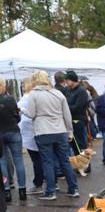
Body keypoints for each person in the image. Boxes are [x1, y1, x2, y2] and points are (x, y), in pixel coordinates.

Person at [26, 70, 79, 200]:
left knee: (48, 162)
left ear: (35, 80)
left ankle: (50, 191)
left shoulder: (33, 94)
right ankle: (73, 189)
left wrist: (22, 110)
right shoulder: (58, 93)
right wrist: (70, 131)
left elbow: (31, 114)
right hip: (60, 130)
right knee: (65, 161)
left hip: (43, 131)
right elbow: (67, 115)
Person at [0, 76, 26, 202]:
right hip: (13, 131)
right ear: (4, 85)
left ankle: (7, 191)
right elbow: (17, 116)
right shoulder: (10, 99)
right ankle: (22, 190)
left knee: (2, 162)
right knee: (19, 161)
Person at [18, 77, 44, 195]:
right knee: (43, 158)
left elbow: (25, 113)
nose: (22, 87)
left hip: (31, 131)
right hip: (37, 130)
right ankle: (48, 182)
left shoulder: (27, 97)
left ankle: (38, 183)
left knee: (37, 159)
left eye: (23, 85)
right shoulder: (38, 95)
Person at [64, 70, 90, 173]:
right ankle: (78, 166)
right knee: (74, 146)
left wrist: (65, 108)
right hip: (70, 121)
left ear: (72, 80)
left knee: (81, 145)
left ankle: (86, 167)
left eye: (67, 80)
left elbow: (77, 107)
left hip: (78, 121)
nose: (66, 82)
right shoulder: (68, 90)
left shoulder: (81, 91)